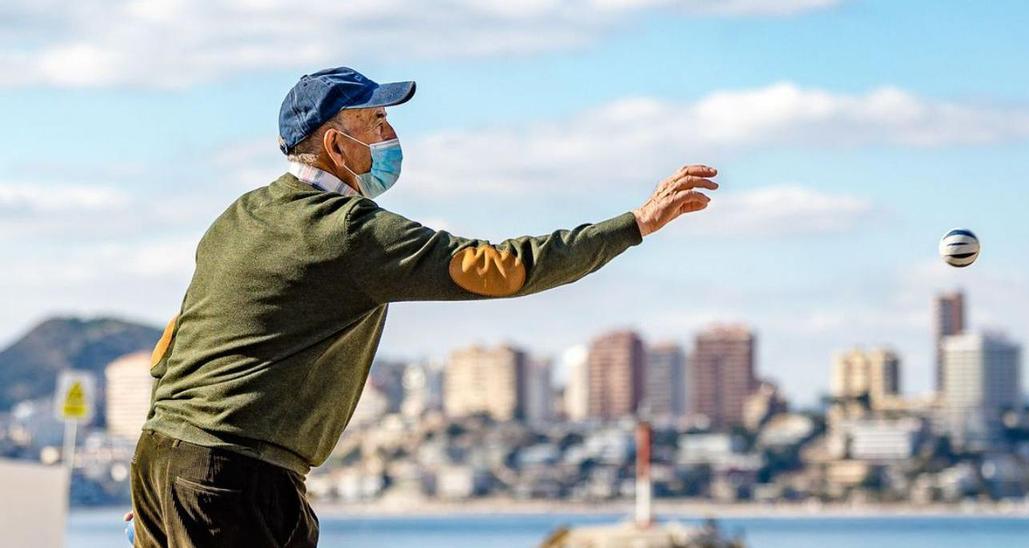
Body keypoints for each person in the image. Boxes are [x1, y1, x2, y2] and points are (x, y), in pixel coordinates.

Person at [127, 66, 717, 547]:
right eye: (377, 121)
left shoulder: (240, 215)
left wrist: (158, 481)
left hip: (165, 460)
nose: (389, 135)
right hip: (233, 477)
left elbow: (175, 345)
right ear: (337, 143)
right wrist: (634, 225)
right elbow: (501, 268)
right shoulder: (348, 232)